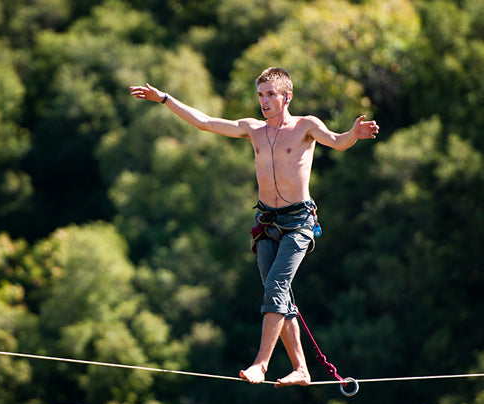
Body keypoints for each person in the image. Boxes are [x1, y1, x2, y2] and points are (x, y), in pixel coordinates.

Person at [129, 67, 378, 387]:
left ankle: (261, 364)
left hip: (298, 222)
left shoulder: (306, 125)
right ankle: (301, 370)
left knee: (276, 287)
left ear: (287, 97)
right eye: (260, 95)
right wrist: (165, 99)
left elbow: (338, 142)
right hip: (265, 223)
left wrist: (353, 134)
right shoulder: (254, 130)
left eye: (271, 94)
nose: (264, 101)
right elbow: (205, 122)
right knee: (279, 294)